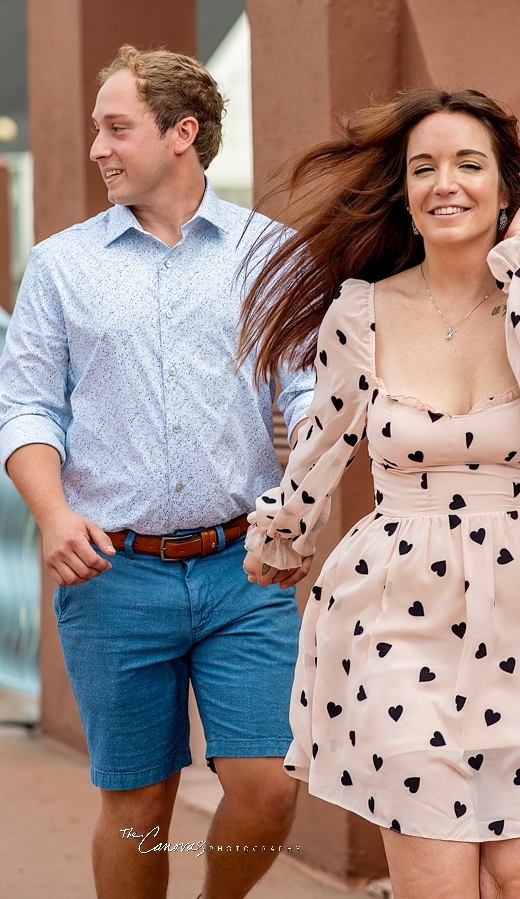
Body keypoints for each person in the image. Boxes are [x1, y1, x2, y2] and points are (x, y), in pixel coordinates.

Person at [236, 88, 520, 899]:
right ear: (403, 191)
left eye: (471, 165)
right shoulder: (361, 312)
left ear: (510, 186)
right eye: (423, 167)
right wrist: (282, 536)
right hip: (398, 611)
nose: (446, 183)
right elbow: (321, 443)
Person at [0, 47, 311, 899]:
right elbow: (26, 407)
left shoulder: (270, 254)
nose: (98, 147)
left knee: (270, 787)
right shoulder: (63, 265)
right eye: (96, 128)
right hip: (112, 570)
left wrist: (304, 505)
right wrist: (55, 515)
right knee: (139, 803)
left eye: (116, 128)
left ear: (182, 133)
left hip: (246, 566)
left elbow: (315, 396)